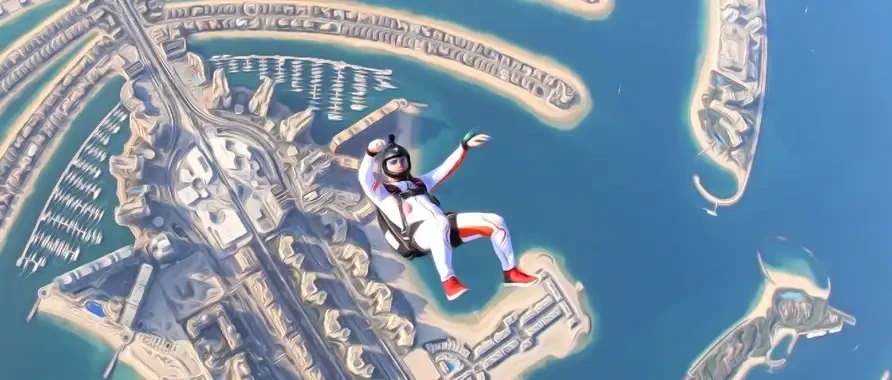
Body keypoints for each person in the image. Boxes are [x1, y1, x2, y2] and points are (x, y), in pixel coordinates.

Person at [358, 132, 538, 301]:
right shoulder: (382, 193)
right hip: (419, 236)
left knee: (495, 222)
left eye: (402, 160)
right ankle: (448, 281)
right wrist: (370, 153)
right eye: (393, 162)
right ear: (385, 167)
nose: (399, 164)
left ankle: (511, 272)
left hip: (443, 227)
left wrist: (463, 147)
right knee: (439, 222)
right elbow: (364, 179)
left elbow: (445, 169)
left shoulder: (420, 183)